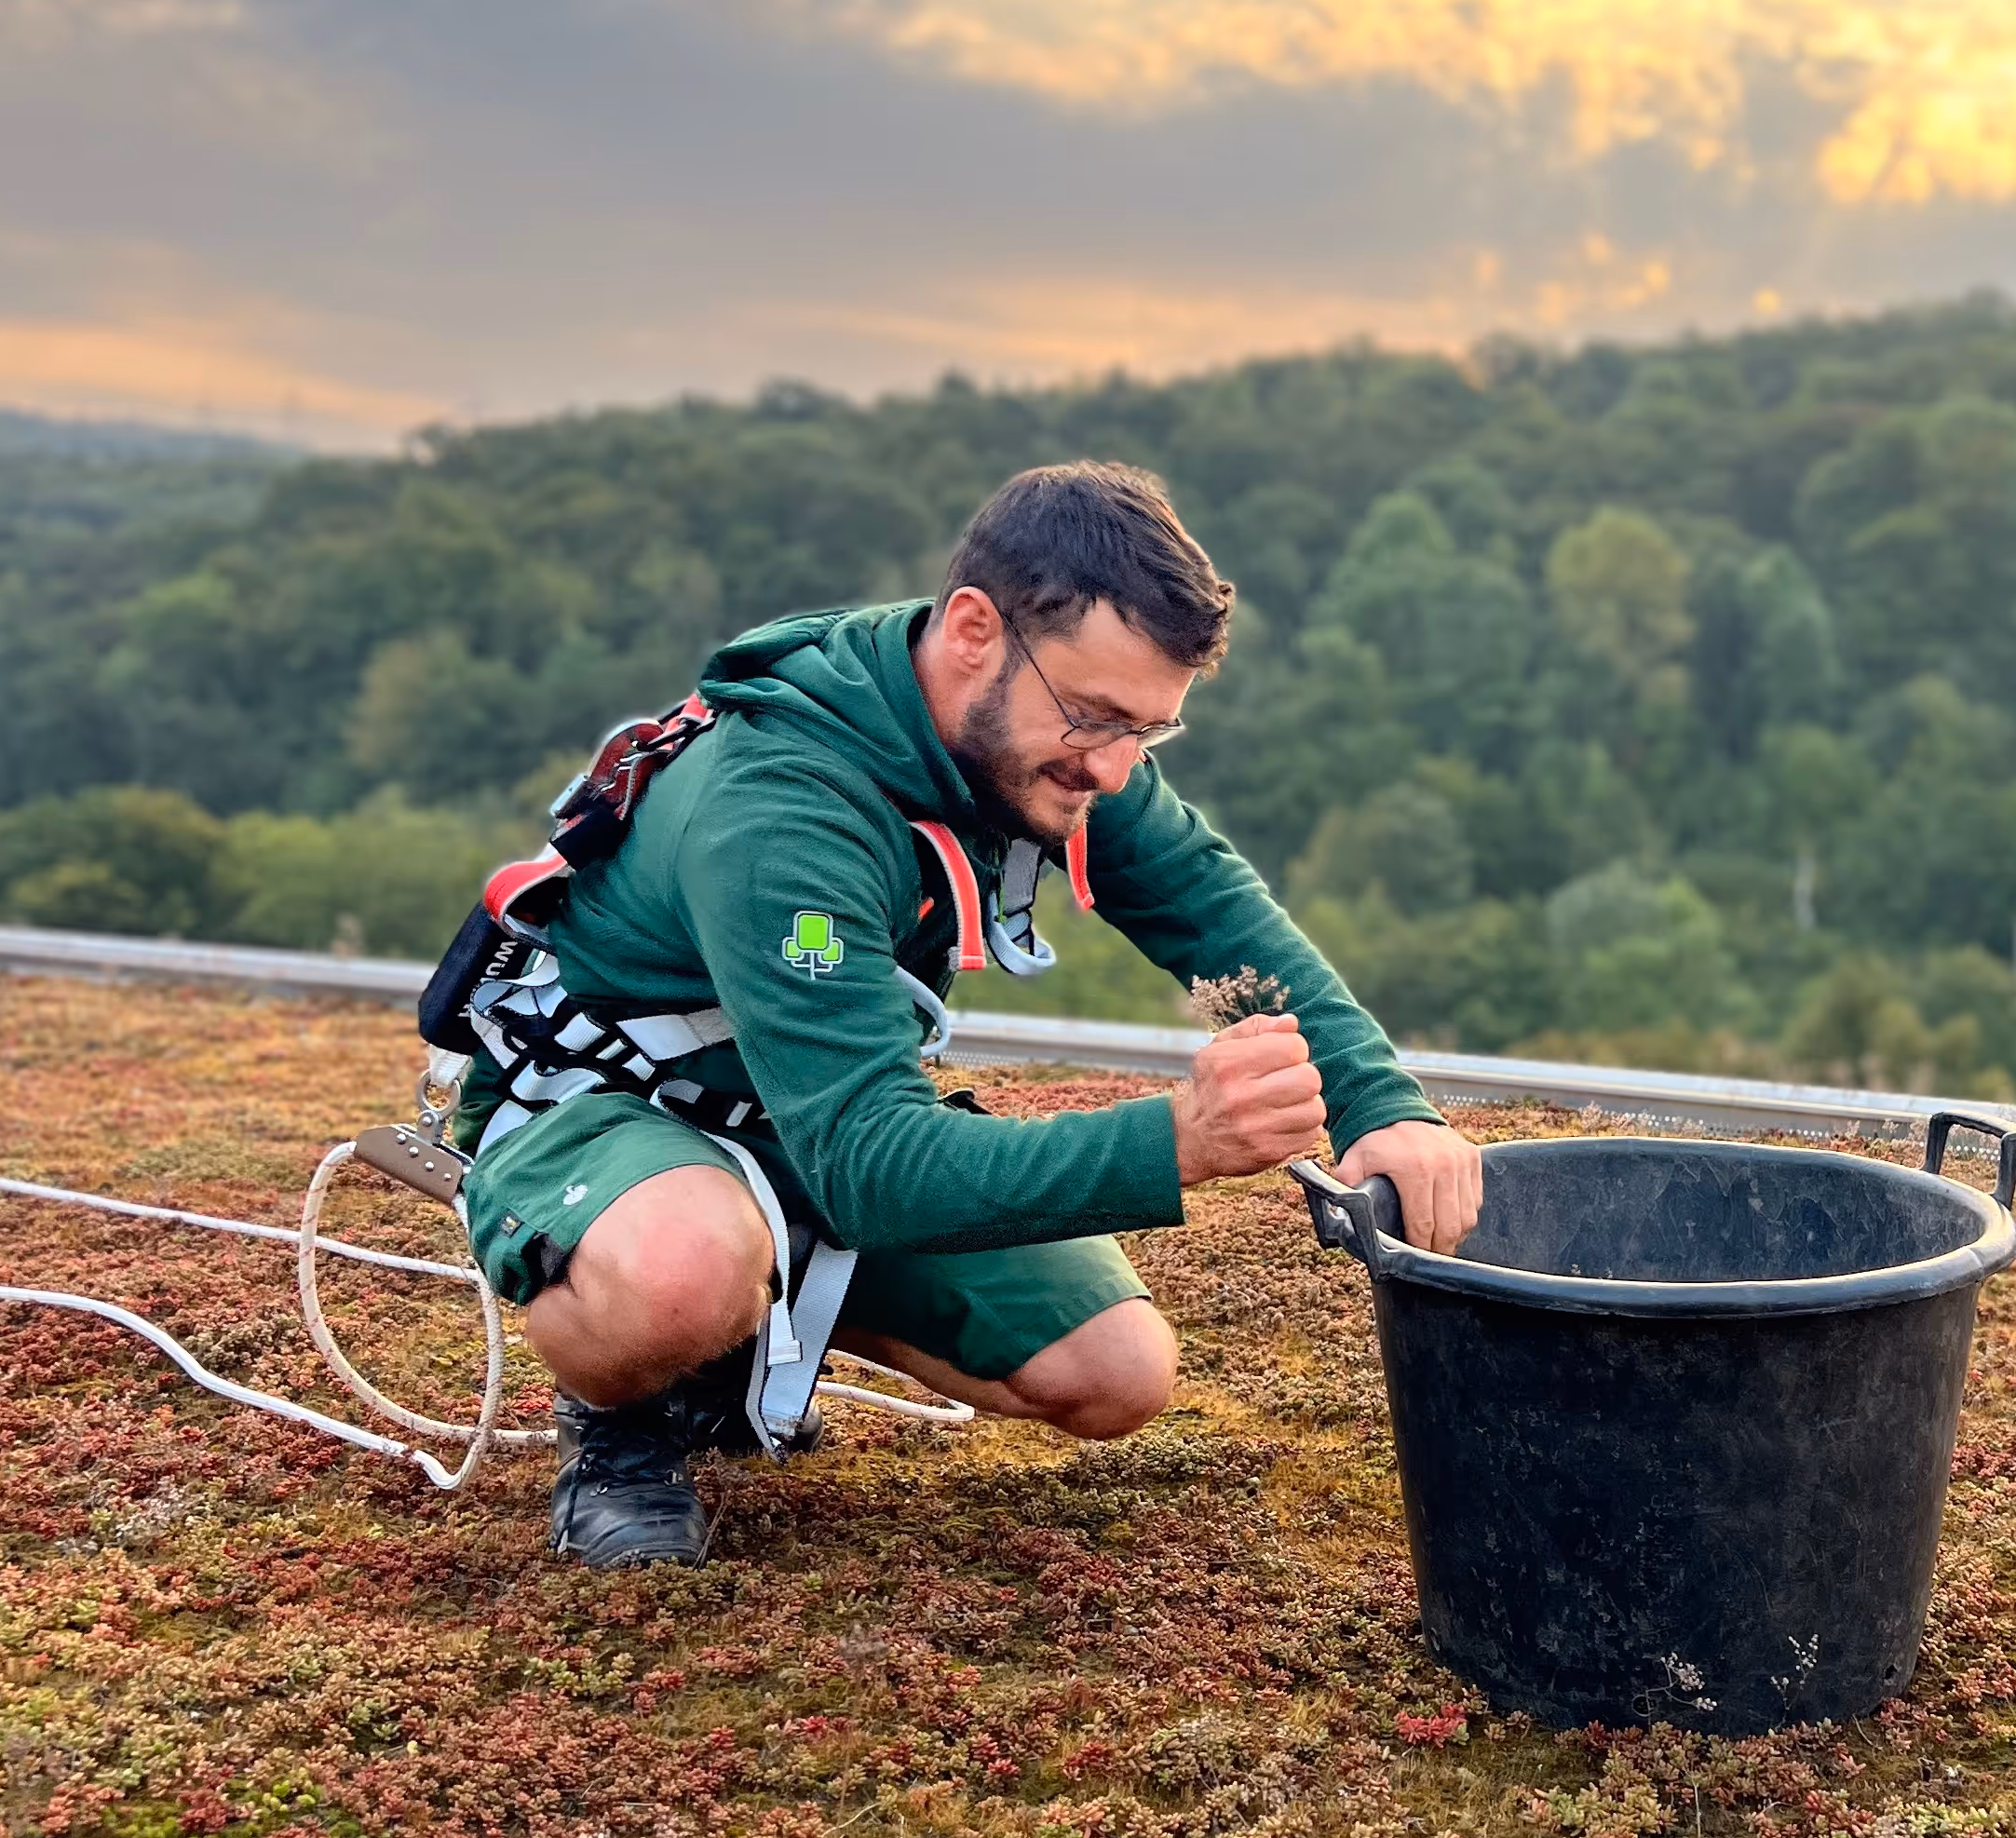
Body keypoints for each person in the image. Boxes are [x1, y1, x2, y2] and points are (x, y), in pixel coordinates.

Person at [452, 460, 1482, 1567]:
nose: (1115, 766)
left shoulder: (1037, 735)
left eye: (1150, 731)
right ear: (975, 631)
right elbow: (873, 1169)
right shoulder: (784, 809)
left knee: (1117, 1372)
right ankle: (622, 1418)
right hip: (615, 1106)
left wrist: (1384, 1101)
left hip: (810, 1119)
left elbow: (1214, 908)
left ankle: (742, 1316)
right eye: (1094, 718)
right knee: (683, 1273)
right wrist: (1179, 1141)